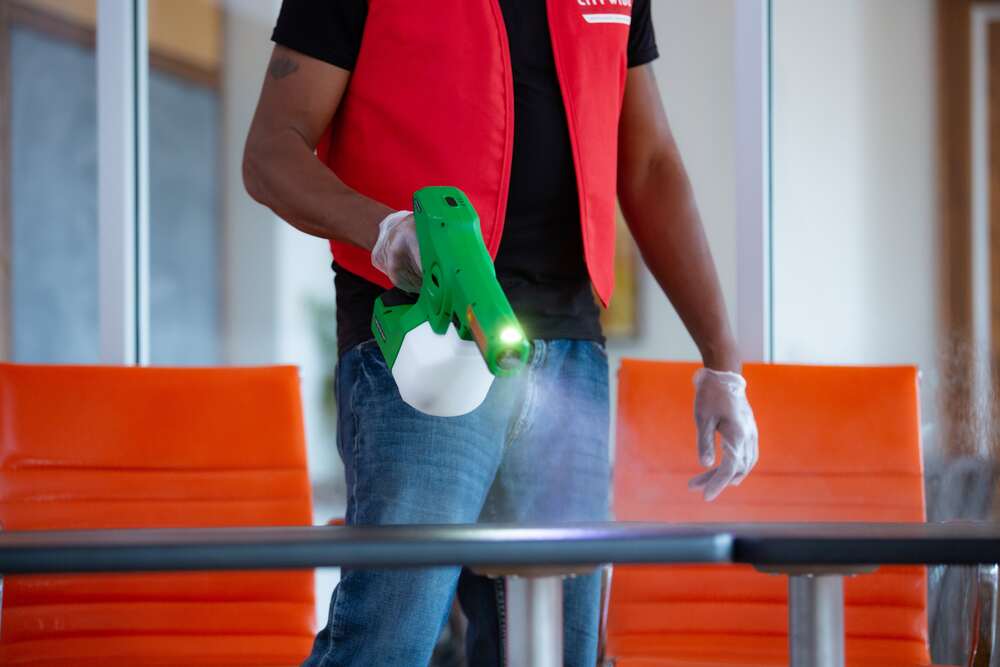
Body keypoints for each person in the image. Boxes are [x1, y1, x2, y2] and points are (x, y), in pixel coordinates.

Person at [243, 1, 759, 665]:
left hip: (570, 350)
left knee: (555, 651)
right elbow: (271, 150)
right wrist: (385, 230)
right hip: (423, 337)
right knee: (388, 642)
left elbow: (650, 162)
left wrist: (722, 361)